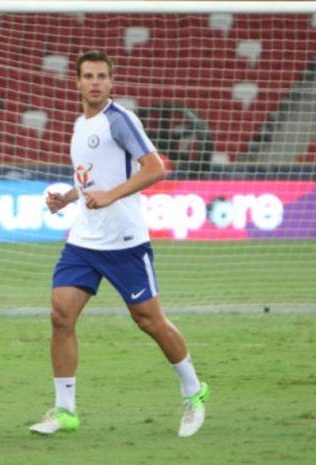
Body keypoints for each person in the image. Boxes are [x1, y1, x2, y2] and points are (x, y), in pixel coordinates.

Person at [29, 50, 209, 438]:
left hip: (125, 240)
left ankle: (194, 392)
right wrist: (68, 198)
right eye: (88, 76)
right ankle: (65, 410)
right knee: (61, 315)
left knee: (149, 321)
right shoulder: (79, 125)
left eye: (102, 76)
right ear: (76, 82)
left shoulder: (121, 120)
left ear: (112, 82)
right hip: (84, 239)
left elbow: (156, 166)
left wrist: (112, 195)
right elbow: (90, 180)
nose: (95, 82)